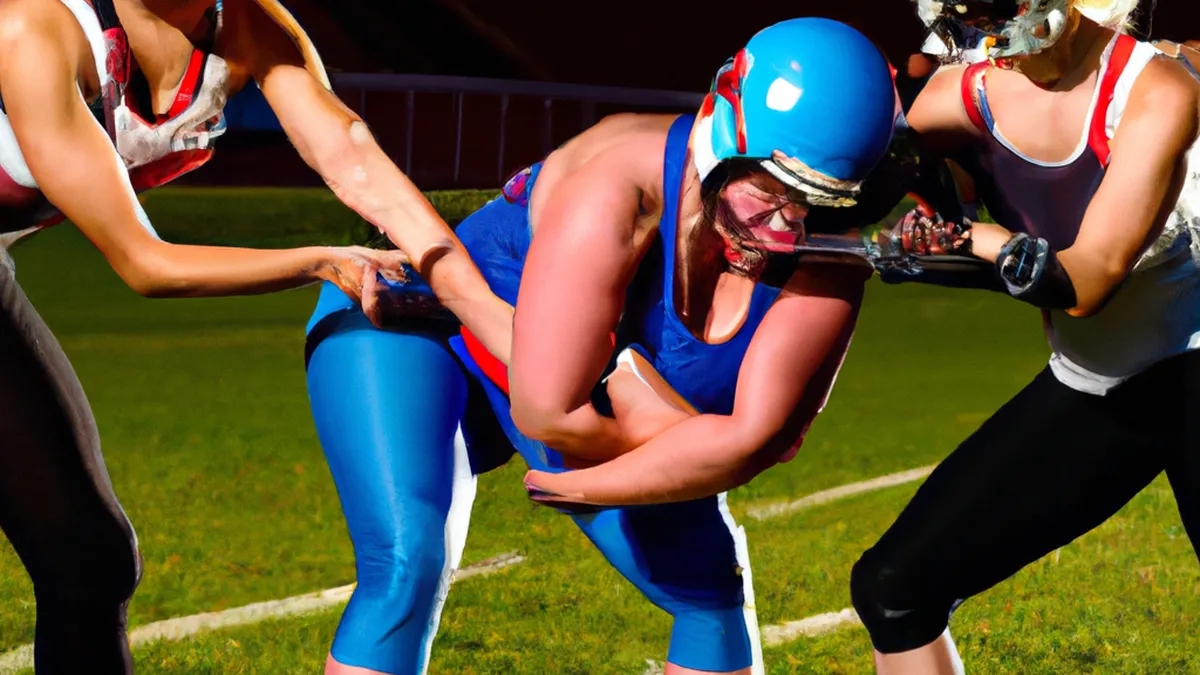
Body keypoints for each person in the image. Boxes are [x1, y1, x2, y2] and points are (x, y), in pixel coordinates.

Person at [305, 17, 898, 675]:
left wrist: (675, 437)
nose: (786, 224)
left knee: (711, 591)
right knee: (406, 559)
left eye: (815, 199)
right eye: (771, 189)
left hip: (551, 363)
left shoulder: (831, 254)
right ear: (725, 131)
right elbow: (551, 411)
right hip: (421, 321)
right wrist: (678, 435)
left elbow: (758, 445)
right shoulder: (619, 185)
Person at [0, 0, 505, 671]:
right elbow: (145, 263)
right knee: (85, 556)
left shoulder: (245, 22)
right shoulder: (36, 27)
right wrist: (325, 260)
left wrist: (476, 300)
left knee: (88, 559)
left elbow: (348, 152)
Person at [845, 1, 1200, 673]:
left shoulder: (1156, 87)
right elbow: (853, 189)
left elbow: (1090, 279)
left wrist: (975, 244)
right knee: (894, 590)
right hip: (1104, 384)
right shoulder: (964, 93)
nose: (978, 28)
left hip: (1190, 362)